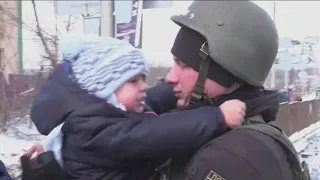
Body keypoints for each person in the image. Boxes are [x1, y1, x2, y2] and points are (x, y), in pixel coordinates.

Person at [21, 34, 246, 180]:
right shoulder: (94, 130)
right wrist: (217, 117)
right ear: (105, 88)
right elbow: (154, 133)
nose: (143, 87)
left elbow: (152, 102)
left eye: (142, 79)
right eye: (133, 81)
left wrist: (181, 86)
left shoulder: (109, 114)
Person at [156, 1, 310, 180]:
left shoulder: (235, 158)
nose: (170, 77)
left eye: (183, 65)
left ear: (223, 73)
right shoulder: (236, 138)